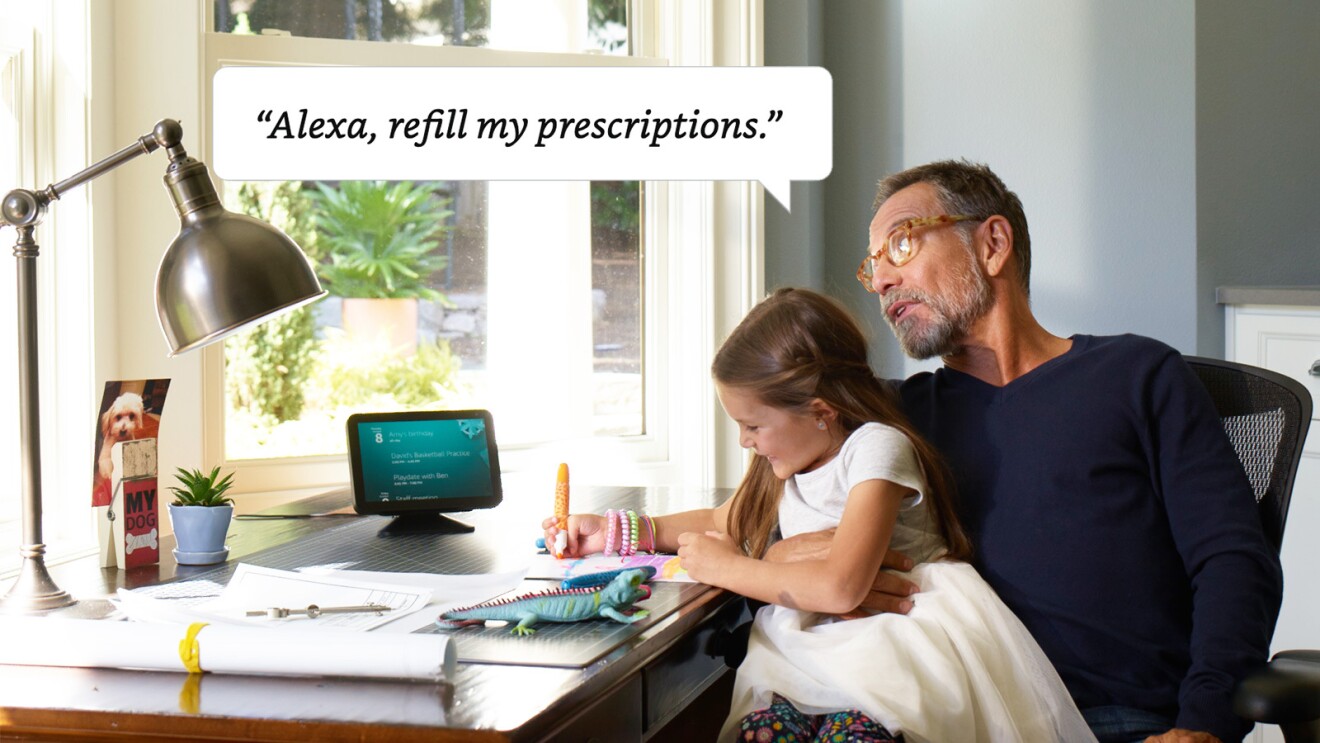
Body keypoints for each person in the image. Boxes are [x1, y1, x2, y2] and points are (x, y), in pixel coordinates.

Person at [770, 160, 1282, 743]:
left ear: (992, 244)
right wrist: (805, 565)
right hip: (955, 714)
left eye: (902, 243)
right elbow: (773, 524)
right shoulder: (896, 420)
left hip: (1119, 719)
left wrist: (1205, 723)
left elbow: (1233, 559)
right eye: (873, 265)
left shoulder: (1137, 376)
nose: (882, 278)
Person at [544, 288, 1095, 742]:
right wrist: (616, 532)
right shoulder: (785, 467)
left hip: (898, 642)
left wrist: (725, 568)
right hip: (809, 649)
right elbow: (721, 522)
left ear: (821, 412)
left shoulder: (877, 448)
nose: (745, 441)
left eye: (754, 426)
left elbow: (841, 589)